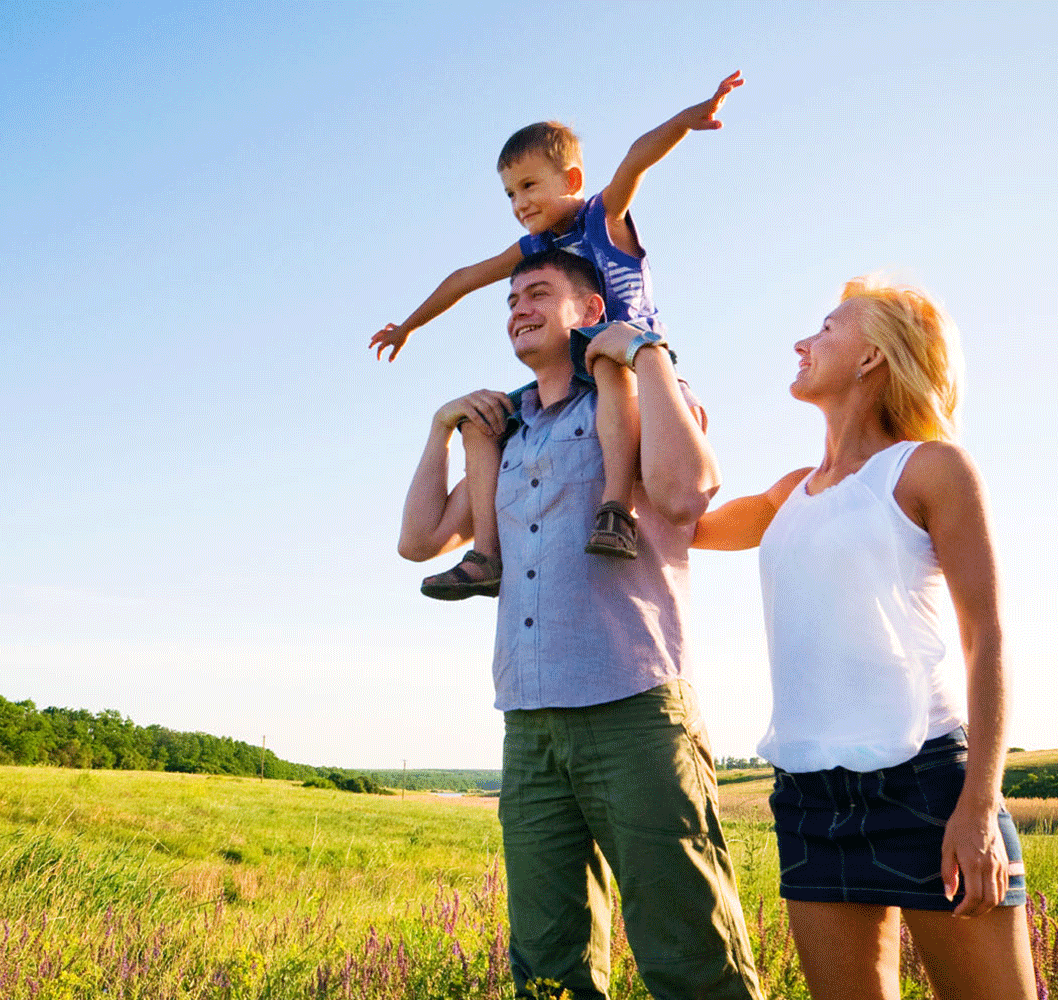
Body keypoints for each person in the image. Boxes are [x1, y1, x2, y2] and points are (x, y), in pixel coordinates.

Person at [398, 248, 763, 1000]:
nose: (517, 309)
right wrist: (440, 429)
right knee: (546, 962)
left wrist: (646, 353)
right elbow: (420, 539)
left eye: (537, 292)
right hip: (529, 721)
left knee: (689, 950)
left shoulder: (635, 397)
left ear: (590, 311)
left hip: (632, 706)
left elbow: (687, 492)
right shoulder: (509, 433)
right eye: (509, 302)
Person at [692, 276, 1036, 1000]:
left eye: (824, 328)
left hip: (930, 785)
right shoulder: (789, 493)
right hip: (810, 800)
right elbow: (676, 523)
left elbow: (990, 638)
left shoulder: (930, 469)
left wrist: (977, 805)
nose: (802, 342)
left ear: (873, 356)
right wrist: (654, 382)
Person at [375, 72, 743, 590]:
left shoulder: (602, 217)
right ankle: (486, 555)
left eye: (529, 185)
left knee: (605, 361)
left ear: (571, 180)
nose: (519, 203)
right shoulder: (533, 250)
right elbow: (465, 277)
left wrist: (687, 119)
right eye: (509, 194)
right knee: (484, 421)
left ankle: (615, 507)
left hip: (630, 360)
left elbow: (636, 158)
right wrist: (409, 325)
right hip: (572, 375)